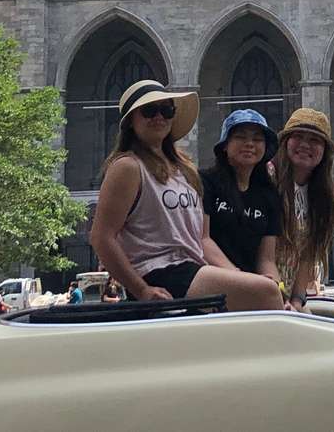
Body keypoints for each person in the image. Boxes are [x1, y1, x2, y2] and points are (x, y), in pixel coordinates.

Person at [89, 79, 281, 311]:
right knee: (266, 293)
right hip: (159, 271)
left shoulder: (182, 170)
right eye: (149, 110)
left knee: (263, 298)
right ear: (131, 121)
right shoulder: (128, 166)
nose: (159, 117)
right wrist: (141, 289)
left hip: (191, 268)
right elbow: (101, 237)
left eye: (167, 110)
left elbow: (200, 236)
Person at [199, 108, 282, 281]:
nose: (249, 144)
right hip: (212, 279)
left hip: (251, 284)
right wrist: (240, 278)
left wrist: (274, 284)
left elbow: (266, 259)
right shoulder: (206, 182)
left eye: (257, 139)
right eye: (240, 137)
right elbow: (203, 240)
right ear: (225, 145)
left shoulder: (269, 194)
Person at [274, 107, 334, 309]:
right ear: (286, 142)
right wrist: (279, 297)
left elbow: (307, 256)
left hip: (289, 299)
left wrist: (296, 301)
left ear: (324, 151)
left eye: (314, 140)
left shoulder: (322, 196)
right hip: (264, 290)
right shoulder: (269, 179)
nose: (305, 145)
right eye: (298, 136)